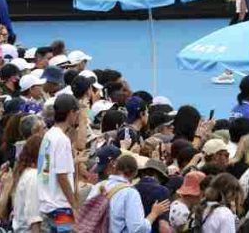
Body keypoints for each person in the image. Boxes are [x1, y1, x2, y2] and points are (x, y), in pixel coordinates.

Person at [85, 154, 170, 233]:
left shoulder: (99, 186)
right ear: (135, 173)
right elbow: (137, 229)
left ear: (115, 168)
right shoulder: (130, 193)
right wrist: (153, 214)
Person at [37, 94, 78, 232]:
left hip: (46, 203)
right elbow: (62, 176)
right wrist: (74, 206)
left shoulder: (48, 135)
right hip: (60, 207)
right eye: (76, 112)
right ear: (71, 112)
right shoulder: (62, 139)